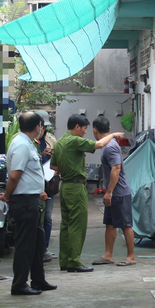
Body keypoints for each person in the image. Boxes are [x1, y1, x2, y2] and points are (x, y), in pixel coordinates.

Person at [51, 114, 124, 273]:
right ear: (77, 127)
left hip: (65, 187)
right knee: (78, 225)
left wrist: (72, 167)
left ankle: (65, 260)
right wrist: (112, 135)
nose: (85, 132)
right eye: (84, 128)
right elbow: (99, 144)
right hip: (76, 188)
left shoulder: (59, 143)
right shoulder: (74, 140)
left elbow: (54, 167)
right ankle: (74, 261)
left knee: (66, 225)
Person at [0, 112, 57, 296]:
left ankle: (38, 279)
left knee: (38, 243)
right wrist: (7, 196)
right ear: (37, 126)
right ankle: (19, 284)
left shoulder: (28, 143)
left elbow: (28, 174)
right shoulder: (22, 145)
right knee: (25, 244)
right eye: (41, 125)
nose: (42, 128)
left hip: (32, 199)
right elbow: (15, 175)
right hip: (24, 201)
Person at [91, 117, 136, 267]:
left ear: (94, 130)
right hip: (113, 192)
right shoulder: (107, 145)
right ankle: (108, 255)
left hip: (119, 192)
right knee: (110, 224)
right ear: (109, 129)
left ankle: (131, 257)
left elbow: (116, 169)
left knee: (125, 225)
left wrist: (109, 192)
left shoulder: (110, 147)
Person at [35, 110, 57, 263]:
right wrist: (41, 155)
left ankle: (44, 249)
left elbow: (58, 157)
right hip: (34, 184)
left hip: (49, 182)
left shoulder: (50, 139)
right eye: (41, 126)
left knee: (47, 218)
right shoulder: (29, 141)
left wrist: (53, 156)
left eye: (45, 127)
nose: (43, 130)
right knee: (36, 217)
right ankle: (36, 249)